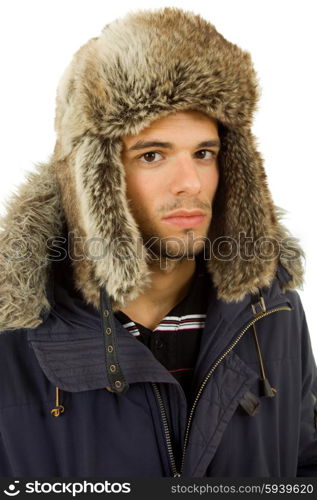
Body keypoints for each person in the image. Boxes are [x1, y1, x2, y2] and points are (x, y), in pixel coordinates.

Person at [0, 7, 316, 478]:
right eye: (152, 155)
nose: (190, 182)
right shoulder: (17, 331)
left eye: (204, 153)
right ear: (95, 178)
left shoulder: (271, 309)